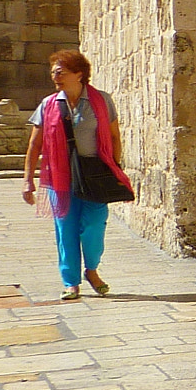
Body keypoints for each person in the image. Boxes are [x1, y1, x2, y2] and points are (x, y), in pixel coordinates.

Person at [22, 50, 131, 301]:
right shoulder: (48, 105)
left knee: (94, 226)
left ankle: (91, 269)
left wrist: (113, 167)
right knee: (65, 230)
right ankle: (71, 282)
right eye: (53, 72)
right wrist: (28, 179)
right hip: (62, 176)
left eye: (61, 71)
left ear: (79, 74)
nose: (55, 76)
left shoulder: (101, 101)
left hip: (95, 173)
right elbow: (34, 145)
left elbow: (114, 136)